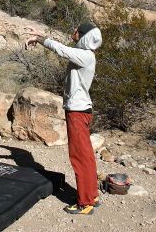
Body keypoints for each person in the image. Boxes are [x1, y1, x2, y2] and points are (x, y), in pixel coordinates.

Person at [26, 20, 102, 216]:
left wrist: (41, 39)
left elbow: (61, 50)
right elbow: (64, 47)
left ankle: (85, 202)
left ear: (83, 36)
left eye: (77, 31)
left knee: (79, 156)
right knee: (85, 156)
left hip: (77, 112)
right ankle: (91, 195)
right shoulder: (84, 55)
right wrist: (41, 36)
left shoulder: (85, 56)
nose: (74, 31)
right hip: (80, 110)